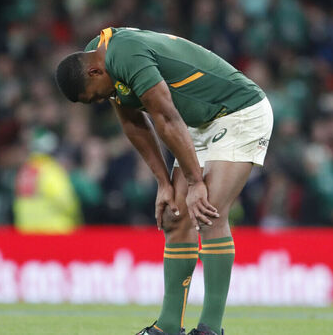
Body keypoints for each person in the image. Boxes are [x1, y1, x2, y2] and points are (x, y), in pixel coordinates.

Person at [55, 27, 273, 335]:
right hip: (198, 122)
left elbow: (167, 118)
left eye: (96, 96)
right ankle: (168, 327)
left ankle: (210, 328)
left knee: (208, 211)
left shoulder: (125, 55)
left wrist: (195, 183)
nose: (102, 100)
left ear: (94, 71)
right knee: (175, 216)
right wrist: (163, 183)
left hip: (238, 111)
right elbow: (133, 122)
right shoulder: (100, 57)